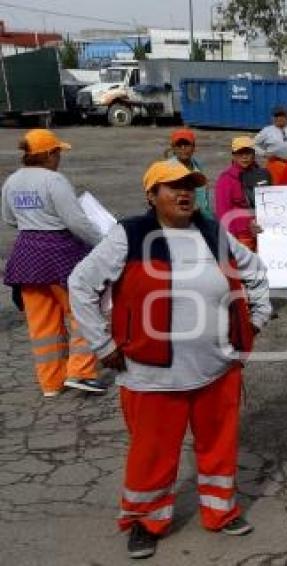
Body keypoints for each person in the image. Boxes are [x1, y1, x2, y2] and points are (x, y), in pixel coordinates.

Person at [68, 160, 271, 560]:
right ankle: (145, 520)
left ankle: (220, 510)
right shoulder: (130, 234)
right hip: (151, 374)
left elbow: (255, 270)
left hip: (218, 367)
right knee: (152, 452)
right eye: (172, 187)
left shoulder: (213, 231)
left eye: (189, 187)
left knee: (219, 446)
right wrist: (103, 345)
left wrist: (257, 319)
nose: (184, 193)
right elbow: (80, 283)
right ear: (151, 196)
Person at [1, 129, 106, 396]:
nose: (59, 157)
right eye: (57, 152)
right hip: (59, 253)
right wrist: (102, 244)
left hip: (26, 256)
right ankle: (80, 371)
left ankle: (51, 382)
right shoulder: (54, 181)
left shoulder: (11, 182)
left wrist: (32, 222)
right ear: (48, 154)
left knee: (42, 324)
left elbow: (9, 219)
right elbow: (75, 221)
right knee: (82, 311)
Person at [214, 137, 271, 252]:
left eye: (248, 153)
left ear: (254, 154)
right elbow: (223, 212)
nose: (244, 157)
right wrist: (231, 239)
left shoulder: (263, 174)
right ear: (233, 155)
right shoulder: (226, 179)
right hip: (242, 236)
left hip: (264, 232)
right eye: (240, 153)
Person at [169, 129, 213, 218]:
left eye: (186, 144)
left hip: (204, 219)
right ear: (173, 148)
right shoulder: (168, 169)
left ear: (194, 147)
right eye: (179, 145)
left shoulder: (197, 166)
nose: (183, 148)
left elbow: (205, 200)